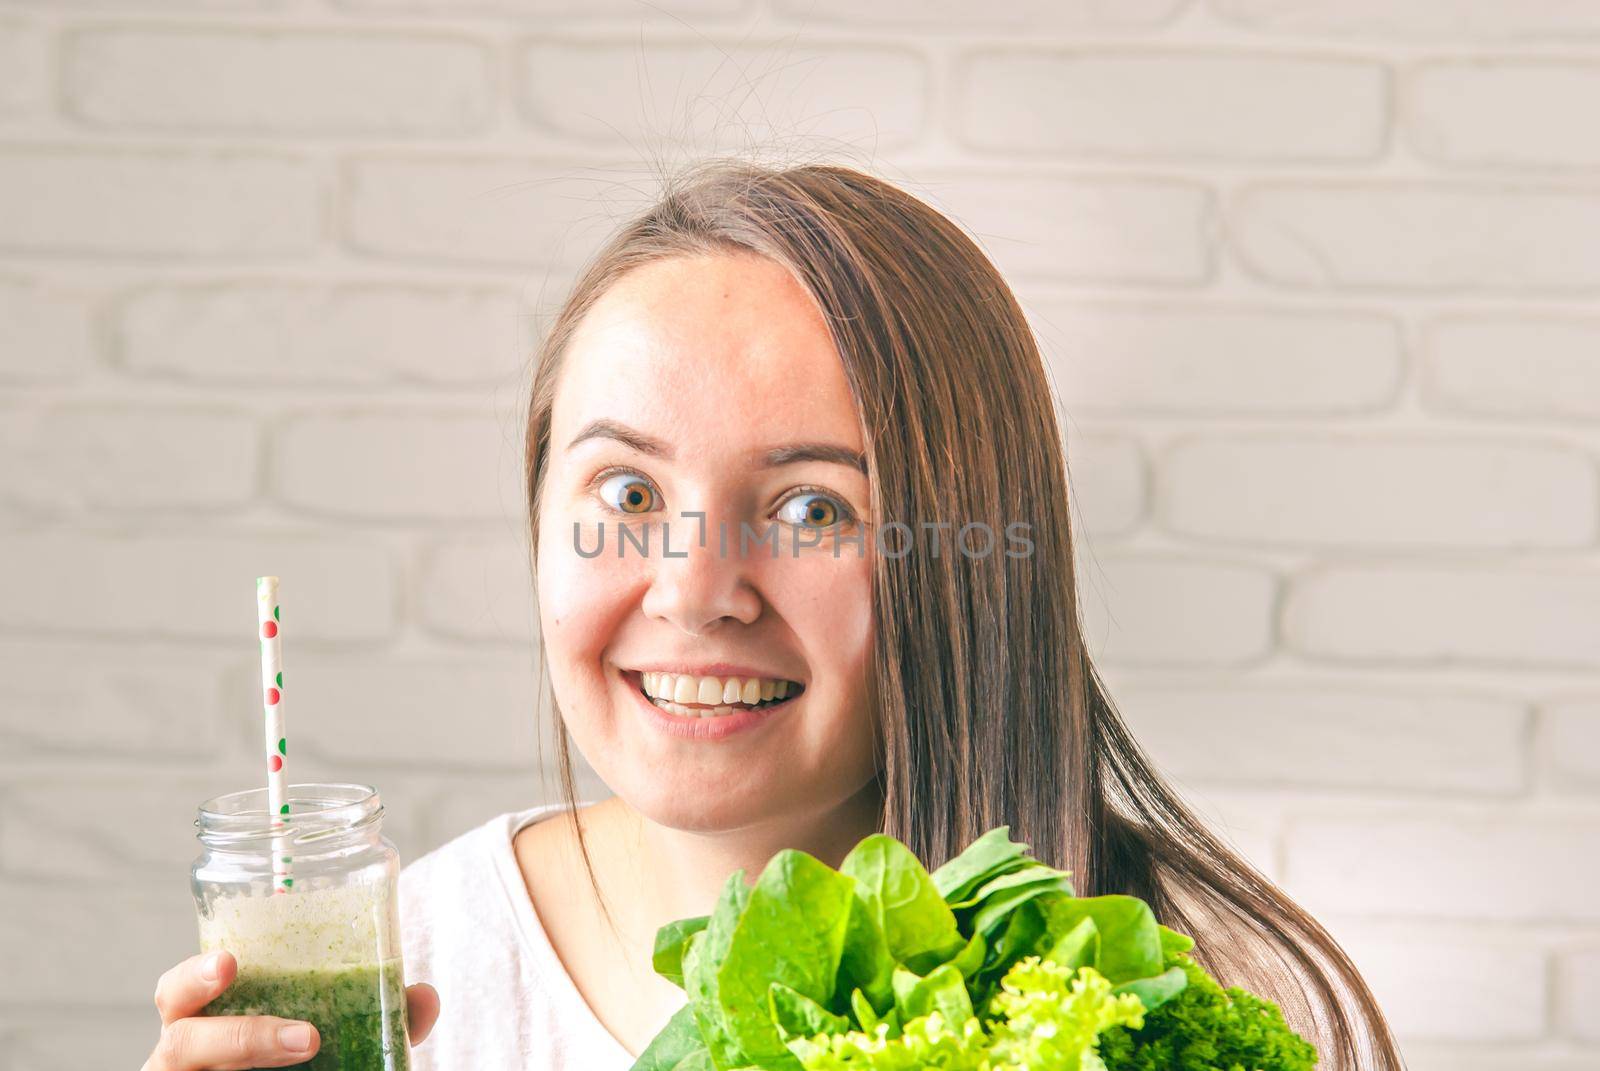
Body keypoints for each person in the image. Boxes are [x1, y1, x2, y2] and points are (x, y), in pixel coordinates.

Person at [142, 161, 1404, 1071]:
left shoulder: (1207, 996)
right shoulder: (410, 968)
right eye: (627, 492)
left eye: (810, 511)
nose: (695, 588)